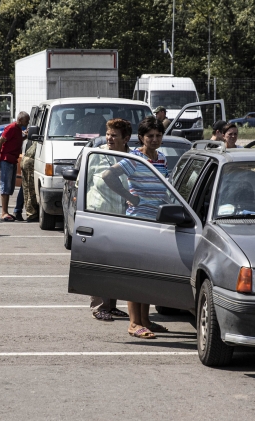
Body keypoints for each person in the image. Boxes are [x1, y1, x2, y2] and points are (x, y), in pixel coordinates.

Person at [102, 116, 170, 338]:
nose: (155, 139)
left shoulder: (162, 158)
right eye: (150, 136)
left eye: (158, 136)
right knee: (136, 274)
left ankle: (145, 320)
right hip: (139, 221)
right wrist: (129, 196)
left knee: (149, 275)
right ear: (141, 137)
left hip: (157, 222)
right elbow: (107, 175)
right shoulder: (134, 158)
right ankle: (134, 323)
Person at [87, 118, 132, 321]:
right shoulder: (98, 155)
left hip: (123, 217)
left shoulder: (132, 157)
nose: (109, 138)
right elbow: (84, 181)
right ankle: (99, 306)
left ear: (126, 138)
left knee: (117, 264)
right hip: (99, 213)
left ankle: (111, 305)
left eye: (114, 135)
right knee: (99, 262)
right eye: (108, 134)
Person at [0, 111, 29, 221]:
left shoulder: (18, 129)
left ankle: (6, 212)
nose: (27, 123)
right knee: (5, 186)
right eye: (26, 121)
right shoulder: (11, 128)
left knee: (10, 187)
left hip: (13, 160)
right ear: (20, 120)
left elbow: (16, 140)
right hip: (6, 160)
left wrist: (25, 136)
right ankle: (4, 213)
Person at [20, 140, 39, 222]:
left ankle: (29, 212)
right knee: (31, 189)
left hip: (27, 159)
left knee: (27, 188)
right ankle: (32, 214)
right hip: (30, 160)